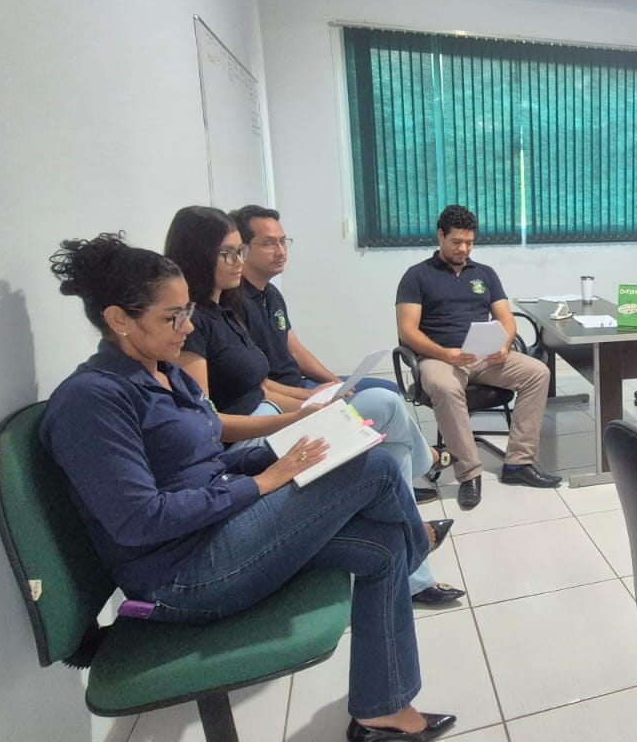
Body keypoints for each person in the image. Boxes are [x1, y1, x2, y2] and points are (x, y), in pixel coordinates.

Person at [40, 233, 453, 742]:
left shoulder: (166, 374)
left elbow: (209, 459)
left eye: (187, 311)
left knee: (382, 546)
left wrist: (286, 449)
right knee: (372, 469)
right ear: (119, 319)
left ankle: (384, 708)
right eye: (172, 317)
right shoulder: (91, 401)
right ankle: (421, 537)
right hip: (184, 576)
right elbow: (140, 520)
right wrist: (262, 483)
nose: (187, 327)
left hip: (222, 533)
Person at [167, 205, 463, 605]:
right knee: (386, 412)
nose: (239, 261)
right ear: (198, 255)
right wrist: (303, 412)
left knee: (383, 418)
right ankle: (422, 483)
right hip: (250, 447)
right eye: (231, 253)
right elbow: (209, 422)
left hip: (276, 415)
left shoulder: (228, 309)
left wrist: (325, 391)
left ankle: (413, 569)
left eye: (241, 251)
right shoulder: (194, 323)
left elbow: (262, 381)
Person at [396, 204, 560, 510]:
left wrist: (505, 343)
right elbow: (407, 330)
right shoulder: (417, 276)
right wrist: (444, 352)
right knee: (445, 387)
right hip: (439, 357)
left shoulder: (484, 274)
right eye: (457, 242)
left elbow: (505, 318)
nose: (464, 248)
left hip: (484, 356)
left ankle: (518, 464)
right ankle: (469, 473)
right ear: (440, 235)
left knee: (538, 372)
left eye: (469, 242)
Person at [228, 204, 401, 397]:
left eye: (283, 242)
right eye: (269, 244)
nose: (281, 252)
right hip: (281, 396)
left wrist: (334, 381)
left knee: (389, 388)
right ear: (241, 249)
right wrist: (314, 396)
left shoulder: (271, 293)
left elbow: (295, 351)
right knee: (383, 399)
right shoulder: (232, 301)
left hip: (300, 384)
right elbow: (255, 381)